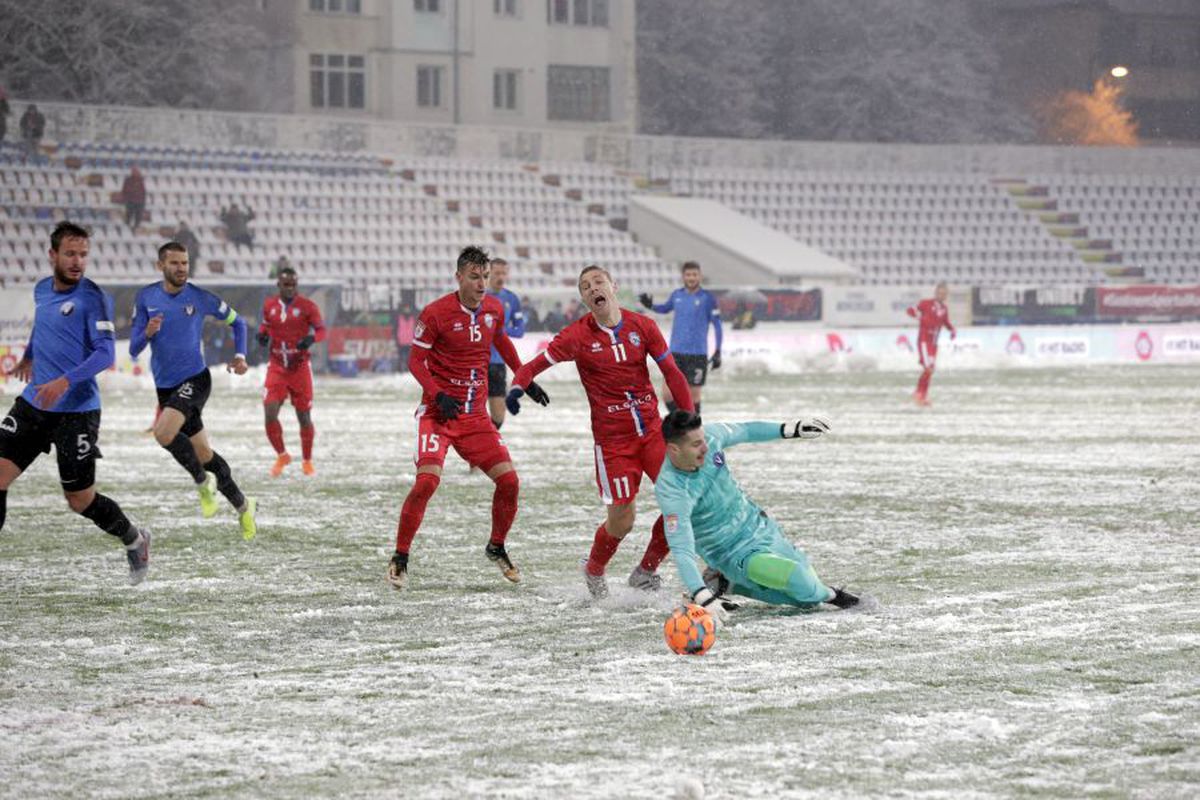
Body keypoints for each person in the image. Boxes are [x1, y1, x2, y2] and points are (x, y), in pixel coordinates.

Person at [507, 265, 695, 600]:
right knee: (623, 520)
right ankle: (594, 568)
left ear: (613, 286)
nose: (592, 288)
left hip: (652, 432)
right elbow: (532, 366)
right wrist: (517, 389)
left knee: (681, 504)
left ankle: (645, 571)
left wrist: (690, 423)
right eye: (584, 287)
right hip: (613, 443)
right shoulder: (576, 337)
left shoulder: (643, 326)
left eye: (597, 282)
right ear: (584, 299)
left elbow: (673, 373)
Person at [386, 246, 550, 591]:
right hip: (438, 413)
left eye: (485, 277)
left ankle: (496, 546)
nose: (481, 284)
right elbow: (416, 362)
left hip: (475, 417)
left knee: (510, 482)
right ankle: (400, 557)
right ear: (458, 276)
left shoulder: (493, 308)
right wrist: (437, 395)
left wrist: (525, 378)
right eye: (474, 277)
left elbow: (501, 342)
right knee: (427, 482)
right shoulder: (435, 313)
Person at [0, 221, 150, 584]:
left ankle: (134, 539)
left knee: (79, 500)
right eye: (70, 253)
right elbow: (42, 325)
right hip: (34, 404)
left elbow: (104, 356)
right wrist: (29, 357)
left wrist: (65, 380)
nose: (77, 261)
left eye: (83, 254)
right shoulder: (40, 290)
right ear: (52, 255)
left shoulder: (93, 298)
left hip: (77, 413)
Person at [655, 409, 859, 623]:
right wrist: (700, 594)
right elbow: (681, 547)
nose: (705, 447)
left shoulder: (711, 437)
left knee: (805, 599)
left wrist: (790, 429)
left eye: (703, 439)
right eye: (696, 445)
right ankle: (835, 595)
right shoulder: (672, 490)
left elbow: (746, 430)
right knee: (803, 584)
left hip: (760, 526)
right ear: (674, 449)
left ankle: (726, 583)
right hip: (732, 553)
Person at [130, 242, 257, 539]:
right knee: (203, 453)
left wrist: (240, 356)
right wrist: (147, 332)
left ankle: (203, 484)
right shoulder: (146, 297)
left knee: (163, 434)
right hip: (166, 388)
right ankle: (243, 505)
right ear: (161, 265)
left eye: (185, 263)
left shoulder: (199, 297)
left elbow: (239, 323)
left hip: (196, 380)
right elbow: (135, 348)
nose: (182, 269)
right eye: (175, 263)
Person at [257, 265, 326, 477]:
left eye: (293, 285)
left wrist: (311, 338)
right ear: (279, 285)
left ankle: (307, 460)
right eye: (286, 285)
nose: (290, 289)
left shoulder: (307, 306)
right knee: (269, 413)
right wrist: (261, 336)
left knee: (303, 416)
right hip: (277, 365)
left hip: (299, 367)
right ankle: (282, 455)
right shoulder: (269, 305)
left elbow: (322, 330)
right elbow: (265, 327)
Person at [639, 261, 723, 415]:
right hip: (675, 352)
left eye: (694, 274)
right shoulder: (677, 295)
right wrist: (651, 305)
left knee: (693, 397)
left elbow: (717, 325)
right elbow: (665, 308)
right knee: (667, 394)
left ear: (700, 276)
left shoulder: (708, 298)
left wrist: (718, 351)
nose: (691, 278)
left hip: (698, 355)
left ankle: (695, 430)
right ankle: (684, 423)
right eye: (688, 274)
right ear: (683, 276)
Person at [484, 257, 526, 429]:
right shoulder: (478, 296)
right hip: (476, 361)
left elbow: (520, 330)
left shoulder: (511, 299)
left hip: (498, 363)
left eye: (504, 273)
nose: (501, 277)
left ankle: (486, 448)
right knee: (471, 413)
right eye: (497, 273)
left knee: (498, 417)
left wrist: (499, 331)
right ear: (489, 273)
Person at [906, 282, 956, 407]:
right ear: (935, 293)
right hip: (924, 340)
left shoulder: (944, 309)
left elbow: (946, 322)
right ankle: (919, 394)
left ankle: (922, 395)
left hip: (934, 343)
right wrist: (920, 317)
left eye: (944, 294)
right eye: (939, 293)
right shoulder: (925, 303)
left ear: (946, 295)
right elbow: (910, 310)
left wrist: (952, 330)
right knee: (928, 368)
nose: (941, 295)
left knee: (930, 369)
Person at [393, 302, 417, 373]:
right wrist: (396, 339)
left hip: (410, 341)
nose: (407, 310)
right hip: (401, 341)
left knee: (409, 358)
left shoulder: (413, 318)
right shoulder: (398, 318)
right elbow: (395, 329)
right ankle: (399, 370)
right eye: (405, 308)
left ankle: (408, 370)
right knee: (400, 357)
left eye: (408, 308)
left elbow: (416, 330)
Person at [121, 166, 146, 231]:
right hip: (130, 200)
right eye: (134, 171)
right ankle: (127, 226)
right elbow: (124, 190)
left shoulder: (140, 180)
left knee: (139, 214)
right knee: (129, 213)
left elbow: (143, 191)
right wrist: (126, 197)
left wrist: (142, 199)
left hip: (139, 200)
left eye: (137, 172)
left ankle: (135, 227)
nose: (136, 173)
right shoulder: (128, 180)